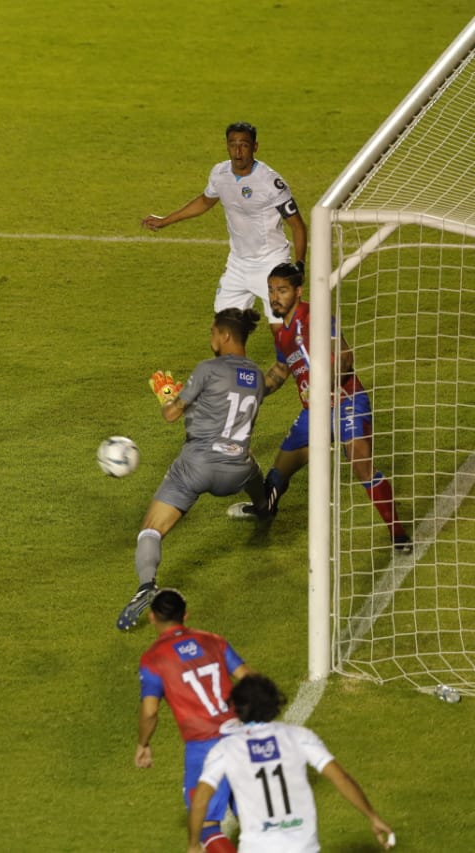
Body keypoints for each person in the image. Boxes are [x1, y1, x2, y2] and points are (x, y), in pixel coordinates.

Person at [227, 263, 411, 551]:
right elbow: (280, 369)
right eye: (272, 290)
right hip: (313, 413)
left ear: (298, 291)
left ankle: (398, 534)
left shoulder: (314, 316)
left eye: (283, 290)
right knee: (279, 470)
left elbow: (346, 357)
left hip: (346, 401)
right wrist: (253, 394)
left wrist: (325, 384)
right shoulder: (281, 331)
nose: (275, 297)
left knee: (362, 466)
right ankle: (265, 510)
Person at [116, 309, 272, 631]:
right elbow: (227, 405)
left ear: (225, 336)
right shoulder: (256, 375)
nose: (211, 338)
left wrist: (168, 397)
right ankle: (264, 505)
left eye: (213, 332)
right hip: (237, 471)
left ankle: (146, 586)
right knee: (251, 466)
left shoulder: (207, 369)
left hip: (196, 468)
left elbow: (172, 415)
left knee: (151, 529)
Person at [188, 674, 395, 852]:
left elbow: (201, 799)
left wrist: (194, 844)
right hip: (302, 847)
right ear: (275, 703)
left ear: (238, 708)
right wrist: (372, 816)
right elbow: (341, 777)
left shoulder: (226, 748)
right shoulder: (299, 737)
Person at [142, 122, 307, 325]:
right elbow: (205, 201)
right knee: (226, 329)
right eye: (232, 144)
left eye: (244, 145)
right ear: (227, 145)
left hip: (270, 264)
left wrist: (299, 265)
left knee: (281, 332)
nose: (238, 152)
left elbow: (297, 225)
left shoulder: (270, 182)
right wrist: (165, 220)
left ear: (255, 147)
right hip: (237, 264)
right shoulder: (220, 174)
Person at [137, 589, 251, 853]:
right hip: (239, 737)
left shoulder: (153, 659)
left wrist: (143, 744)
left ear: (152, 617)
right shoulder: (213, 641)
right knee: (254, 818)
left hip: (204, 748)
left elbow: (150, 711)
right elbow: (248, 678)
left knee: (207, 826)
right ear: (185, 615)